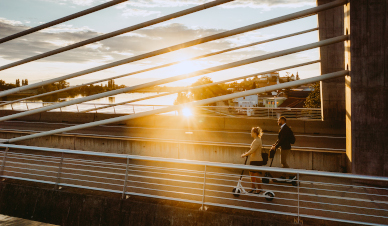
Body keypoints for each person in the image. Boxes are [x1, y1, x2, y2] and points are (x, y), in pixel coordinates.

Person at [241, 126, 268, 194]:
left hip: (257, 160)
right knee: (252, 174)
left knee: (256, 175)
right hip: (254, 160)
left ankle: (259, 188)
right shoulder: (256, 139)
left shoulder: (257, 140)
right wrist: (247, 154)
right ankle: (253, 187)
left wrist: (245, 154)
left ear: (255, 133)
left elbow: (253, 150)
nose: (251, 133)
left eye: (252, 132)